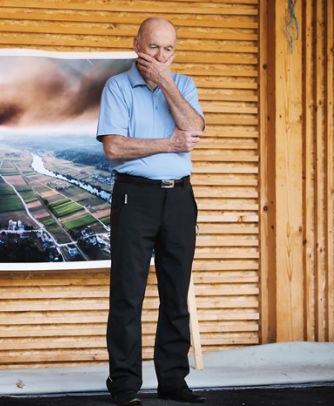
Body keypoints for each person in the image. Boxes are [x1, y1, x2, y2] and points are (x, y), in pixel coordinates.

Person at [97, 17, 206, 405]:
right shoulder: (117, 87)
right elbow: (114, 148)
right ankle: (125, 384)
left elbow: (195, 128)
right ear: (137, 45)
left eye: (169, 49)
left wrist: (167, 83)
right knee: (128, 294)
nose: (161, 56)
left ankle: (173, 380)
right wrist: (168, 142)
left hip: (179, 199)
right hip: (134, 198)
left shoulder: (185, 85)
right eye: (154, 47)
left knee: (176, 293)